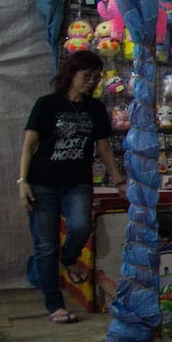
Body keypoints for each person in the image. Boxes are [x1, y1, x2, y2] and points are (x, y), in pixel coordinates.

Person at [19, 50, 123, 324]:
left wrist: (119, 181)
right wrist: (23, 182)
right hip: (42, 184)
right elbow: (29, 145)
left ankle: (69, 258)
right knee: (45, 246)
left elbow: (104, 148)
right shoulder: (47, 104)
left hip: (77, 183)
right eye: (86, 76)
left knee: (80, 226)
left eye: (96, 77)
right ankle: (55, 305)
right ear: (71, 74)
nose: (92, 82)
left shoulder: (95, 109)